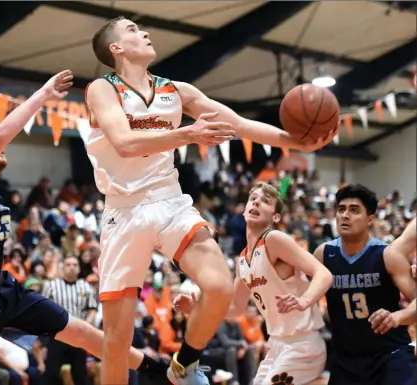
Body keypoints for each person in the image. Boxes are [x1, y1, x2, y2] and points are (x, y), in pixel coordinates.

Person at [85, 17, 336, 385]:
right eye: (134, 31)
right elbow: (124, 142)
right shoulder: (102, 89)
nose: (145, 33)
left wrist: (298, 141)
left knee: (219, 286)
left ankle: (182, 364)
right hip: (123, 211)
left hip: (170, 201)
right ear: (116, 48)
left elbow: (238, 124)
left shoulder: (175, 90)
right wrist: (188, 134)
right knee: (117, 344)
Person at [0, 70, 171, 385]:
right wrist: (43, 95)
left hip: (2, 289)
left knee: (81, 332)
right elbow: (3, 134)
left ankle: (158, 369)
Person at [175, 182, 333, 384]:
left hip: (302, 345)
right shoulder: (243, 261)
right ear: (244, 210)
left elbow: (324, 273)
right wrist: (197, 309)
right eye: (253, 199)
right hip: (276, 346)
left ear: (275, 217)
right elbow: (234, 310)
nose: (257, 202)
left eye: (265, 201)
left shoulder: (274, 240)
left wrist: (304, 301)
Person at [313, 184, 416, 385]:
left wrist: (397, 317)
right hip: (346, 359)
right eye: (341, 209)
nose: (345, 215)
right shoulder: (323, 254)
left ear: (370, 219)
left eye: (354, 210)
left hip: (390, 354)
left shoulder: (387, 255)